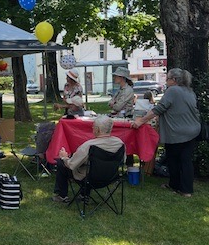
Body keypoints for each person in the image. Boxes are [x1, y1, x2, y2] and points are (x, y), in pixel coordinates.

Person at [132, 68, 200, 197]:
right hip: (193, 130)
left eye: (167, 78)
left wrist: (141, 120)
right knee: (184, 160)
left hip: (178, 132)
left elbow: (160, 108)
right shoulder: (189, 91)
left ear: (174, 80)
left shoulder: (173, 90)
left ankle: (179, 187)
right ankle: (183, 188)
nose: (166, 80)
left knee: (175, 159)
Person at [53, 115, 125, 203]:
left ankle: (62, 196)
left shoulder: (89, 146)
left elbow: (71, 165)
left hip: (90, 178)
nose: (92, 128)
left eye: (93, 126)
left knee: (61, 163)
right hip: (111, 177)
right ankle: (84, 195)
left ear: (97, 129)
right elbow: (122, 161)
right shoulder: (120, 143)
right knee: (89, 166)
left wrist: (64, 157)